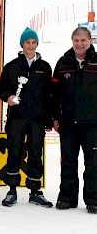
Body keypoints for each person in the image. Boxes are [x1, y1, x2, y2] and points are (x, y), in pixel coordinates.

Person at [0, 27, 53, 208]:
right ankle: (11, 190)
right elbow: (1, 89)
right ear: (22, 44)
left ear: (37, 44)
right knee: (14, 152)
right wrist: (9, 98)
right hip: (17, 118)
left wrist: (49, 118)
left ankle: (35, 191)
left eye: (33, 42)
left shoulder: (44, 67)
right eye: (27, 42)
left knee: (36, 153)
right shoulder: (12, 66)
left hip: (37, 118)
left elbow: (49, 95)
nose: (30, 45)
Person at [51, 26, 97, 214]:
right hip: (68, 122)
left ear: (90, 41)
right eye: (76, 40)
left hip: (93, 123)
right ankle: (66, 198)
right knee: (68, 161)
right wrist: (55, 116)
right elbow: (54, 94)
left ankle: (93, 199)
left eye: (83, 40)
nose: (80, 44)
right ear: (72, 41)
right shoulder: (63, 63)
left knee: (93, 163)